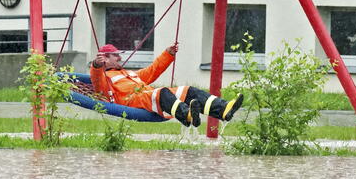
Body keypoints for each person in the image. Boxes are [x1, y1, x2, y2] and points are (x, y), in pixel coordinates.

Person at [90, 43, 243, 127]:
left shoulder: (129, 73)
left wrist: (167, 54)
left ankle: (223, 109)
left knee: (187, 90)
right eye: (115, 55)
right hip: (134, 102)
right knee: (161, 92)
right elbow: (97, 82)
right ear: (105, 59)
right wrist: (96, 66)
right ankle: (187, 115)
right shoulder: (105, 79)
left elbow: (152, 71)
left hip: (151, 97)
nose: (119, 57)